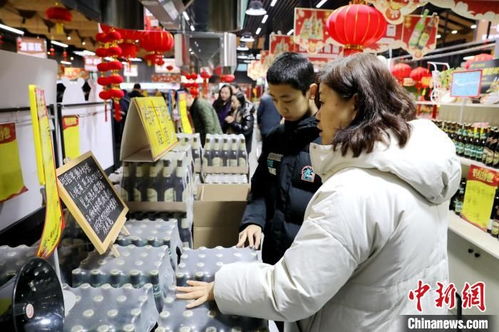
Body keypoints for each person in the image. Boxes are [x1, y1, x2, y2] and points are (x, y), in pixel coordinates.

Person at [177, 53, 461, 331]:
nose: (319, 113)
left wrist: (223, 286)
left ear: (354, 104)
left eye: (323, 102)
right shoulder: (417, 168)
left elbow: (294, 290)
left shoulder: (354, 189)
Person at [239, 52, 322, 266]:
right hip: (272, 252)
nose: (280, 108)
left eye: (288, 99)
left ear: (310, 92)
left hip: (309, 259)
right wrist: (253, 221)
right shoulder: (276, 137)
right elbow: (260, 187)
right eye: (274, 99)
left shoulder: (327, 142)